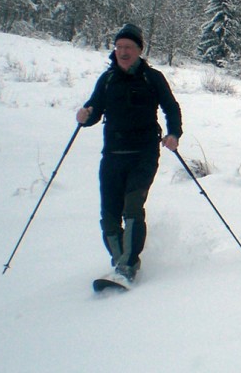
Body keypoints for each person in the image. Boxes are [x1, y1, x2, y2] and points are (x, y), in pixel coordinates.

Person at [75, 23, 182, 285]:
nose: (123, 52)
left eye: (129, 47)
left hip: (143, 154)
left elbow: (171, 107)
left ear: (139, 50)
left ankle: (128, 266)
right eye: (119, 47)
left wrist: (174, 134)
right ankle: (119, 261)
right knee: (109, 214)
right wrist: (85, 116)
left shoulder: (152, 78)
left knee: (132, 207)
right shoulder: (108, 79)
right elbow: (94, 110)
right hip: (112, 155)